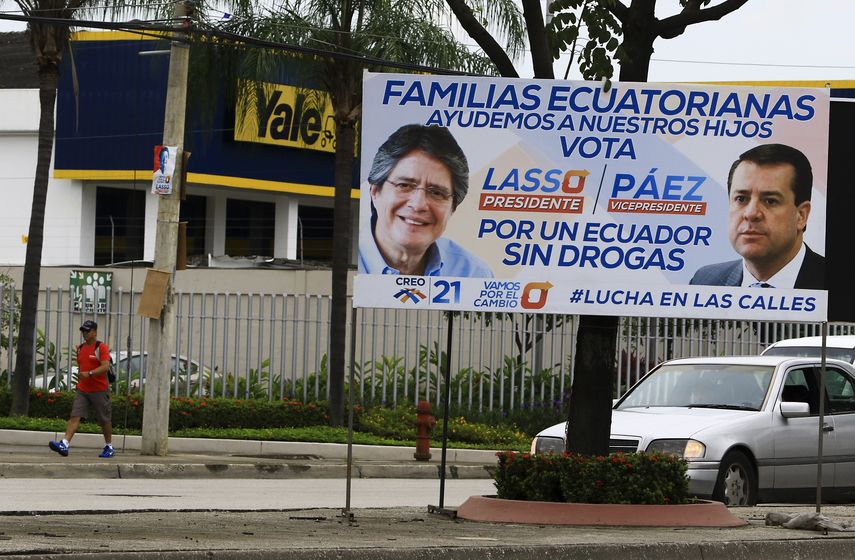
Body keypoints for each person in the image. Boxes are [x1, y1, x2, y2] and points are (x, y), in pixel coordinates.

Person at [358, 124, 493, 277]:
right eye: (404, 185)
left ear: (453, 207)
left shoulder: (474, 274)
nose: (418, 204)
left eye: (436, 193)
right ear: (375, 192)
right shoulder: (344, 261)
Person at [690, 143, 825, 289]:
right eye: (741, 198)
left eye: (770, 201)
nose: (751, 213)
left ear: (801, 215)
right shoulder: (704, 281)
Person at [49, 320, 114, 458]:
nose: (85, 333)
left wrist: (89, 373)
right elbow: (82, 366)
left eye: (87, 331)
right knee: (75, 415)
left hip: (99, 390)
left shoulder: (101, 347)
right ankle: (64, 444)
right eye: (83, 331)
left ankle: (109, 446)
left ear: (94, 332)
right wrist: (81, 379)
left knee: (104, 420)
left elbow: (105, 367)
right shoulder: (80, 348)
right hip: (83, 390)